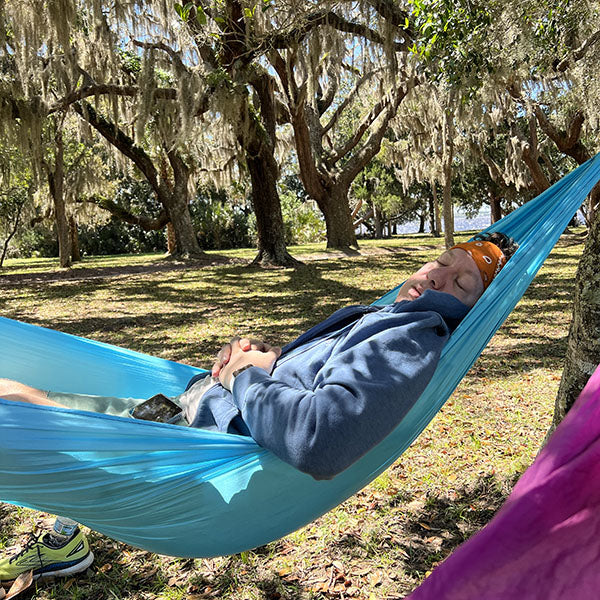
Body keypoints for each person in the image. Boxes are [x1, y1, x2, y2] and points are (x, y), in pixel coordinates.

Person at [0, 232, 518, 584]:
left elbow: (321, 438)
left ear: (476, 310)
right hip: (181, 410)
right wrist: (248, 359)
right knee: (25, 398)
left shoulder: (413, 336)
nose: (438, 278)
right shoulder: (393, 316)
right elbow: (297, 378)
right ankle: (64, 538)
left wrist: (244, 376)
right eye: (442, 262)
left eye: (462, 285)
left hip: (188, 442)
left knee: (20, 406)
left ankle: (63, 541)